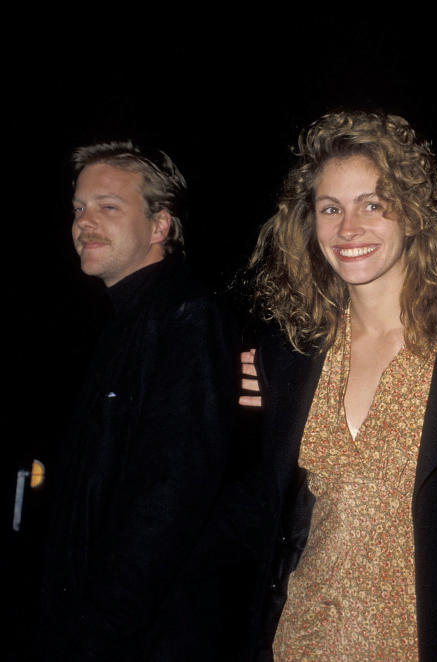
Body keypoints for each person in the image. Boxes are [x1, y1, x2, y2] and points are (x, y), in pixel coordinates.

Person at [243, 111, 437, 661]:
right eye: (331, 209)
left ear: (415, 213)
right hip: (305, 639)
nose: (348, 229)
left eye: (372, 204)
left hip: (418, 641)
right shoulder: (294, 356)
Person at [37, 142, 239, 660]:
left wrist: (99, 633)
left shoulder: (185, 316)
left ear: (159, 226)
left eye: (108, 206)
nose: (85, 222)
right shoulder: (123, 321)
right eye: (79, 208)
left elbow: (168, 497)